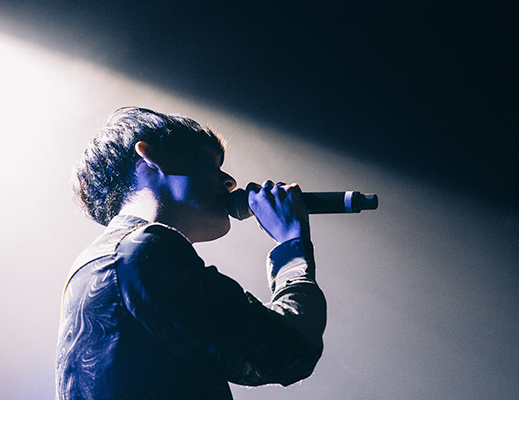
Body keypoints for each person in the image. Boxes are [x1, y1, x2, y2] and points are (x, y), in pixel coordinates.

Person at [56, 107, 327, 399]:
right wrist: (291, 241)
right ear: (149, 158)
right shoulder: (143, 250)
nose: (230, 182)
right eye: (209, 163)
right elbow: (290, 349)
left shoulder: (92, 264)